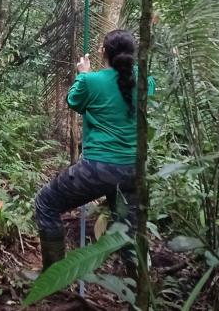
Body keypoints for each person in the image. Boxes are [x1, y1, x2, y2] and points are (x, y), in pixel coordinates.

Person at [33, 29, 155, 271]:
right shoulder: (144, 81)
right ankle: (139, 290)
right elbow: (143, 88)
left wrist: (83, 73)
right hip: (133, 170)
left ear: (103, 52)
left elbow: (73, 101)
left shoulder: (91, 81)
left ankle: (52, 277)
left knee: (46, 203)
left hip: (97, 168)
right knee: (129, 232)